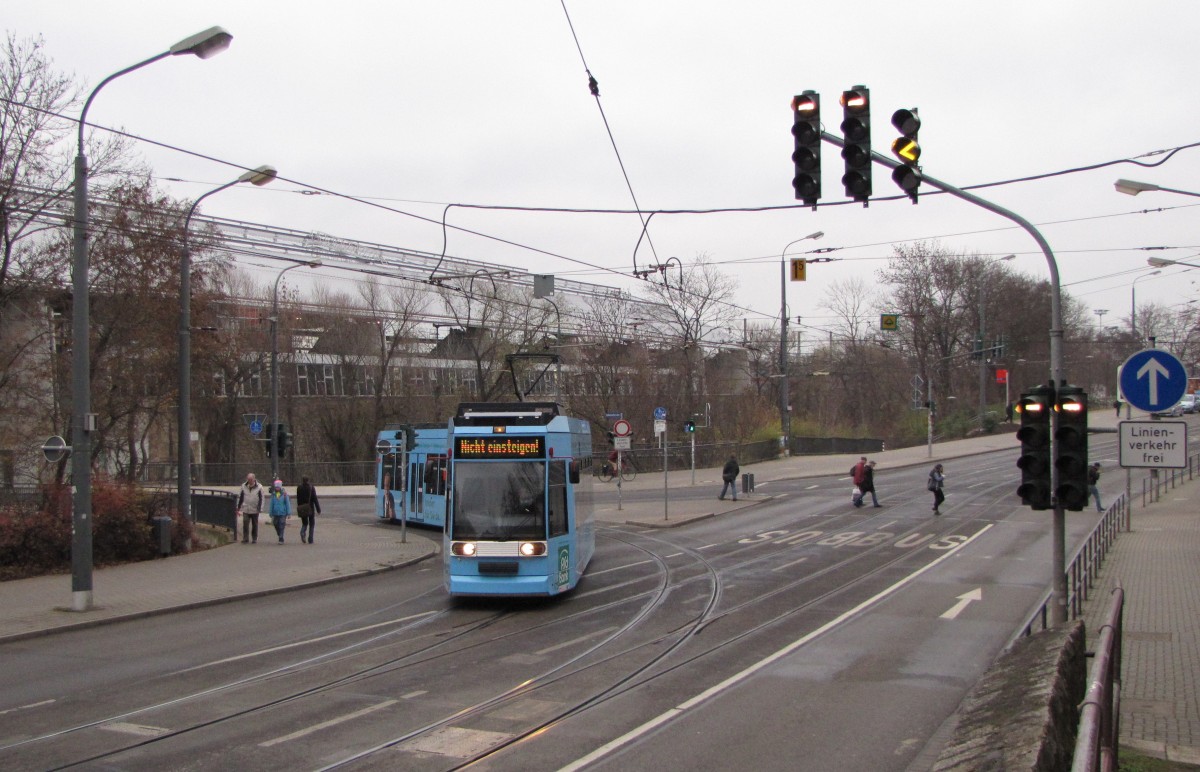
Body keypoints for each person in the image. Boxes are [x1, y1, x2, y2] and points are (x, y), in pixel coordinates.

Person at [236, 472, 264, 544]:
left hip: (255, 509)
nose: (249, 481)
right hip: (246, 508)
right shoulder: (243, 486)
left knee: (255, 524)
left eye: (251, 479)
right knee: (245, 523)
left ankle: (254, 538)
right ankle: (245, 538)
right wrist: (238, 507)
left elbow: (262, 498)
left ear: (254, 479)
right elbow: (240, 497)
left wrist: (260, 508)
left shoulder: (259, 487)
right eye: (248, 479)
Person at [296, 476, 322, 544]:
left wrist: (299, 506)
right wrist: (318, 509)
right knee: (312, 523)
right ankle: (310, 539)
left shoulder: (299, 488)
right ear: (308, 480)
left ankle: (302, 532)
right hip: (310, 508)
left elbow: (298, 498)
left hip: (302, 508)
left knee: (304, 523)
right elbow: (315, 499)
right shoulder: (311, 488)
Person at [268, 479, 291, 543]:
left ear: (280, 487)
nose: (277, 488)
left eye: (278, 487)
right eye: (276, 487)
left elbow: (287, 504)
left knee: (282, 524)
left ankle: (281, 537)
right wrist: (270, 512)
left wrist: (288, 513)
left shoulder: (284, 494)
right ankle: (279, 533)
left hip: (282, 512)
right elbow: (271, 504)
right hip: (275, 513)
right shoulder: (273, 494)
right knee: (275, 523)